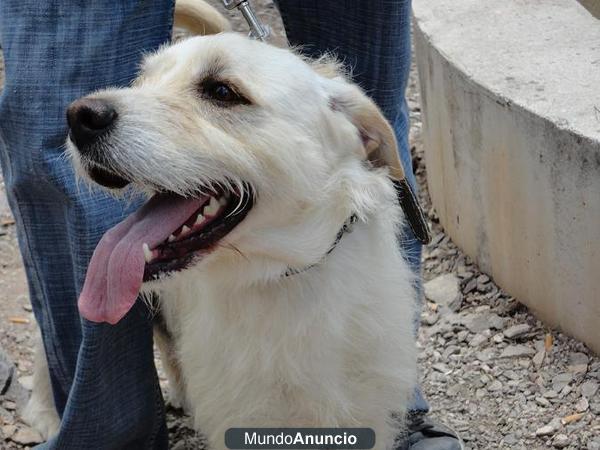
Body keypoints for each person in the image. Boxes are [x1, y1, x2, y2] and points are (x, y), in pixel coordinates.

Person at [0, 1, 462, 448]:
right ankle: (99, 431)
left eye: (222, 92)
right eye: (147, 79)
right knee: (60, 162)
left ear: (360, 136)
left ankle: (389, 415)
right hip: (219, 319)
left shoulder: (342, 125)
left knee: (376, 71)